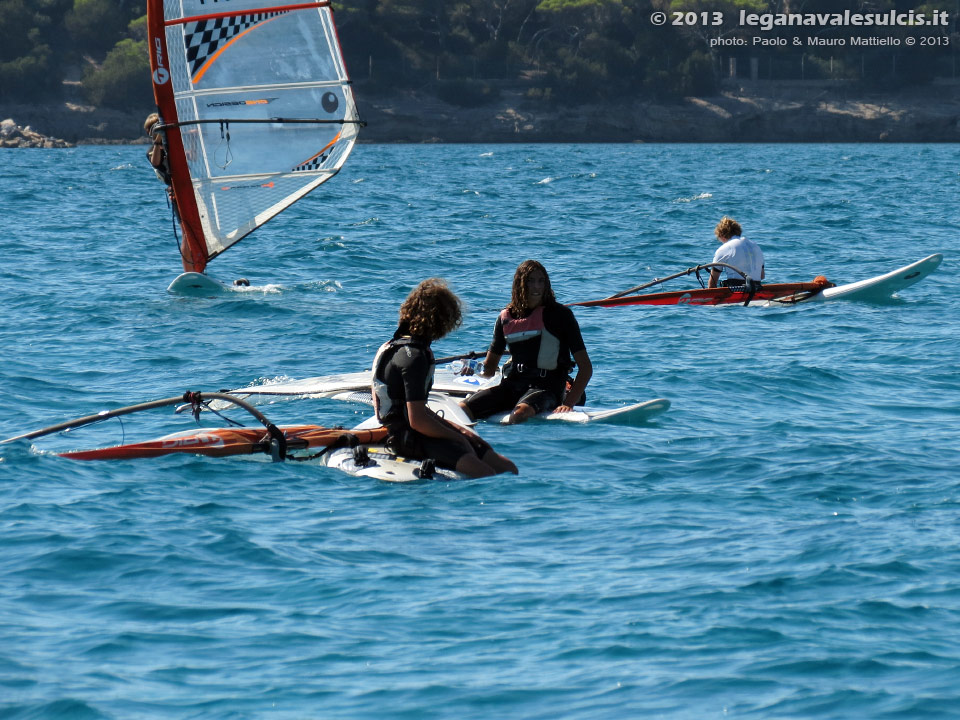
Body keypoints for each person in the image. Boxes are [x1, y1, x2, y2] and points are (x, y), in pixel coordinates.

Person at [373, 278, 517, 478]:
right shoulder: (413, 357)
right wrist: (458, 439)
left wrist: (460, 430)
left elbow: (419, 411)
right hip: (404, 437)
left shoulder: (397, 345)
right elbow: (417, 420)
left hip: (417, 428)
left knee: (508, 467)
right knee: (486, 472)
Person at [460, 260, 592, 425]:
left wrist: (568, 404)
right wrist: (472, 369)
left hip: (547, 388)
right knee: (461, 410)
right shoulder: (505, 318)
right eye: (530, 281)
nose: (537, 287)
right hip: (512, 386)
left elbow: (586, 367)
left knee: (519, 414)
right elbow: (489, 369)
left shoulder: (561, 316)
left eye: (541, 281)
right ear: (519, 284)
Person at [707, 216, 764, 288]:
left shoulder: (724, 248)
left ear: (722, 236)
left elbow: (712, 282)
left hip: (737, 291)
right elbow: (762, 276)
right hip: (756, 290)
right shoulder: (756, 246)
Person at [143, 112, 172, 186]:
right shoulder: (151, 151)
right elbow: (156, 163)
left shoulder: (173, 144)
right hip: (170, 180)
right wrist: (158, 138)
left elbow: (192, 156)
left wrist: (192, 139)